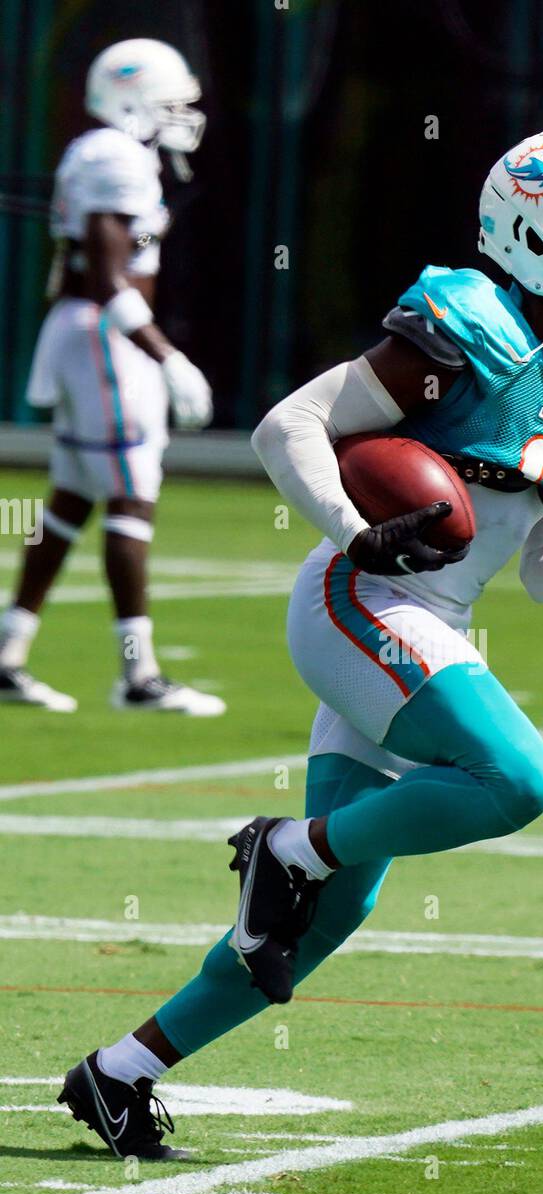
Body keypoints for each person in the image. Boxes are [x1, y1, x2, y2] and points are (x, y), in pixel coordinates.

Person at [58, 127, 543, 1158]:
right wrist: (355, 531)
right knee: (519, 778)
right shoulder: (466, 324)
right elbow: (285, 428)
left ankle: (118, 1072)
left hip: (427, 625)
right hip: (358, 595)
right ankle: (283, 846)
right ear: (537, 234)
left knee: (322, 919)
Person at [0, 38, 224, 715]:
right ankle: (139, 677)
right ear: (132, 100)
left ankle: (7, 656)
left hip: (93, 334)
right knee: (131, 496)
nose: (185, 115)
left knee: (72, 497)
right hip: (105, 338)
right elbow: (105, 278)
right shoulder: (116, 157)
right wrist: (166, 356)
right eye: (171, 102)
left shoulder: (114, 155)